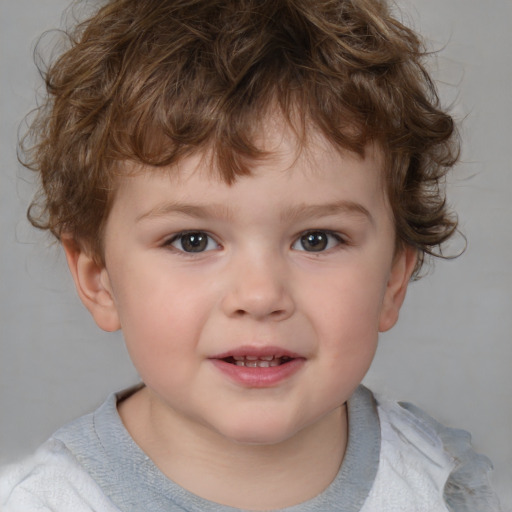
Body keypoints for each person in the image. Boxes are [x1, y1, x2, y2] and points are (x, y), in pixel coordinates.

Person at [0, 0, 502, 510]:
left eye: (317, 239)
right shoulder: (46, 502)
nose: (260, 296)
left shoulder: (440, 485)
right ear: (98, 278)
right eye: (193, 240)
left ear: (394, 278)